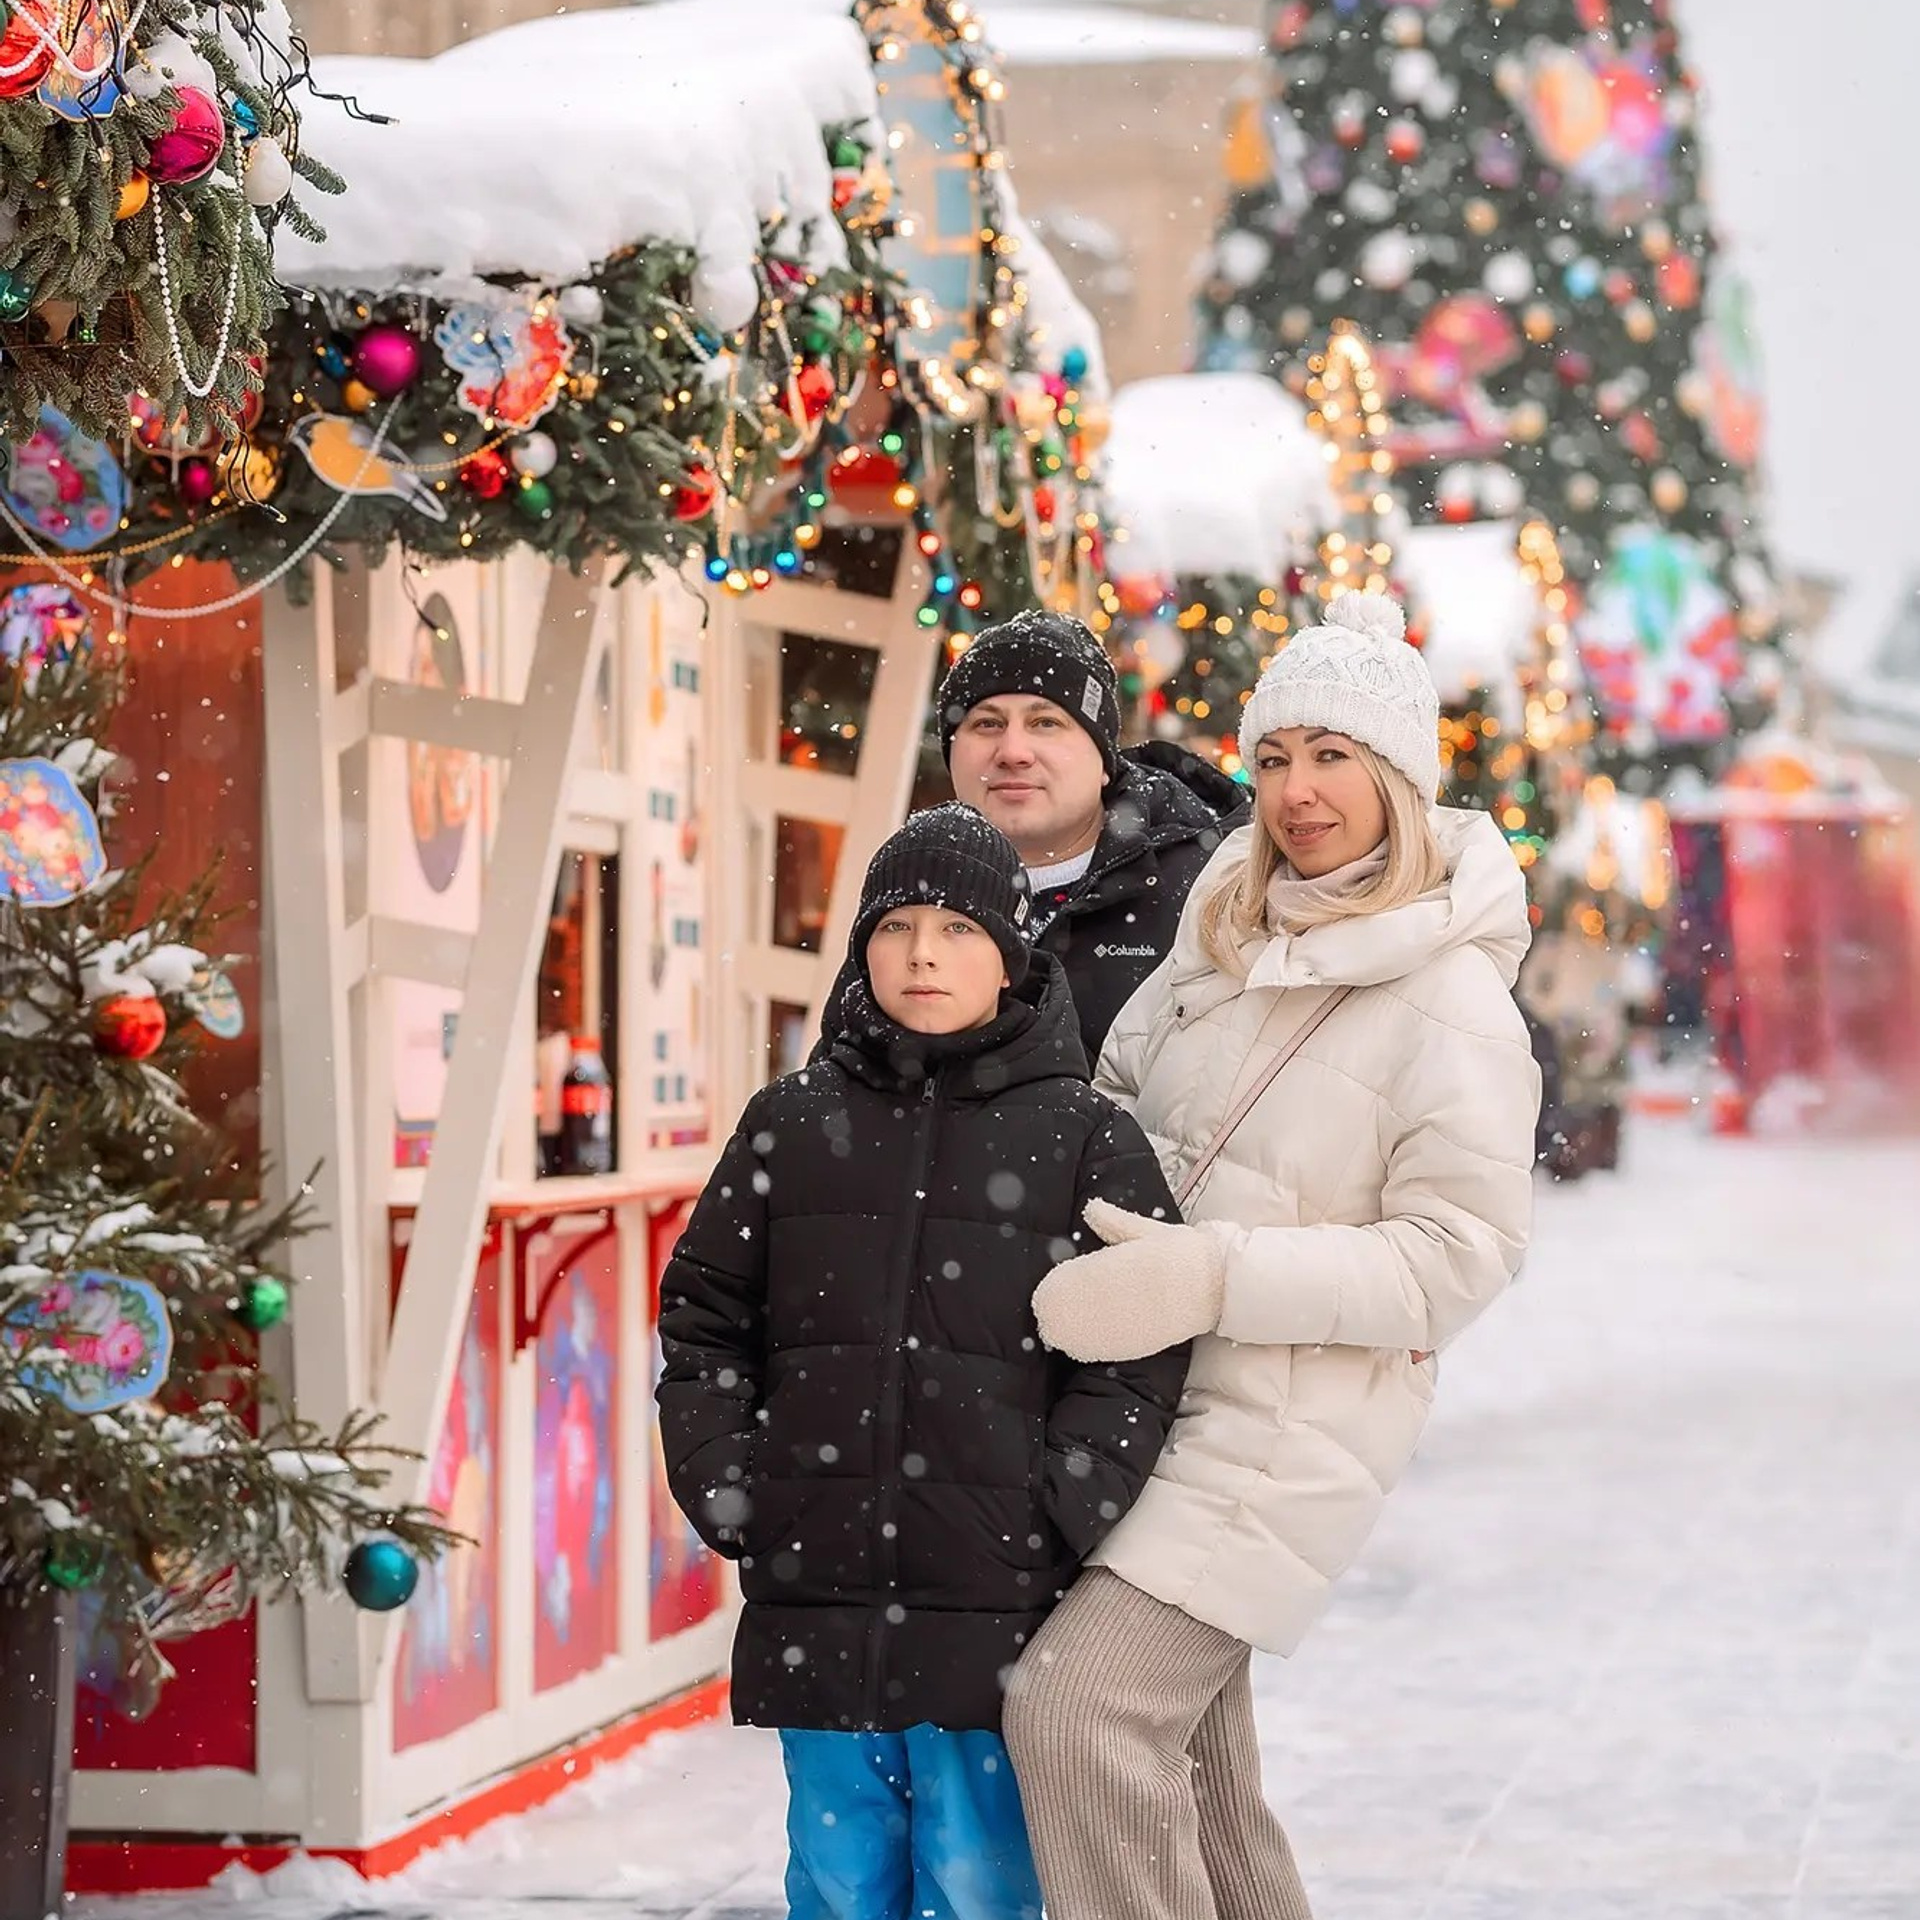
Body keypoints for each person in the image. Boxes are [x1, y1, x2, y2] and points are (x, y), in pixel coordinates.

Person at [1003, 591, 1541, 1920]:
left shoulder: (1454, 1001)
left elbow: (1453, 1260)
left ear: (1400, 776)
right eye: (1277, 758)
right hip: (1147, 1402)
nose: (1299, 792)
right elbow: (1111, 1104)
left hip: (1283, 1430)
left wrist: (1212, 1274)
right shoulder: (1225, 941)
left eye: (1334, 757)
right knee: (1198, 1780)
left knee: (1078, 1713)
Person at [656, 803, 1190, 1920]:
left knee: (977, 1884)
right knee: (839, 1882)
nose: (924, 954)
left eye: (957, 928)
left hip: (997, 1597)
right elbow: (706, 1320)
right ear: (864, 952)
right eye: (898, 928)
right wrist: (735, 1488)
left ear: (1010, 952)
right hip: (817, 1590)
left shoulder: (1084, 1135)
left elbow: (1143, 1346)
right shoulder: (790, 1124)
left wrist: (1060, 1505)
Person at [820, 610, 1249, 1067]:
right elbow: (837, 1084)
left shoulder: (1209, 888)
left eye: (1045, 723)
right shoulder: (913, 884)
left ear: (1104, 758)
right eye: (987, 724)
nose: (1013, 753)